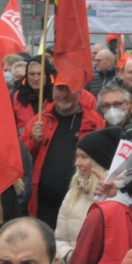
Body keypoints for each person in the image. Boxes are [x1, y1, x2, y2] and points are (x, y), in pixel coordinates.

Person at [25, 79, 102, 225]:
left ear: (80, 92)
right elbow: (22, 156)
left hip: (81, 203)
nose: (64, 94)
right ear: (53, 91)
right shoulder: (39, 121)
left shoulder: (94, 121)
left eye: (70, 89)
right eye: (60, 89)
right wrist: (33, 142)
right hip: (43, 205)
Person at [53, 128, 121, 264]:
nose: (77, 163)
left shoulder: (120, 194)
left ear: (100, 161)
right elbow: (59, 239)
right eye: (77, 157)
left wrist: (112, 198)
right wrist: (70, 257)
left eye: (84, 157)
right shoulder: (73, 193)